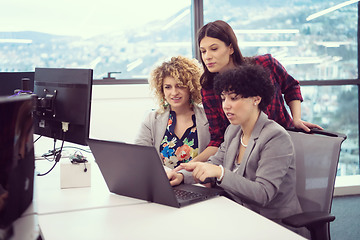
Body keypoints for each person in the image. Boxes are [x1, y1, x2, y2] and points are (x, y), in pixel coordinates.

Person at [168, 65, 306, 236]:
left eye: (233, 98)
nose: (226, 106)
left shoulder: (275, 137)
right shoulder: (233, 131)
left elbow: (263, 194)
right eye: (223, 98)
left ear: (256, 99)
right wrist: (182, 176)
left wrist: (220, 173)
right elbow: (214, 163)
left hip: (273, 225)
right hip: (237, 217)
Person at [191, 20, 322, 163]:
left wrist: (296, 118)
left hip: (285, 145)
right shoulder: (209, 90)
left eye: (214, 49)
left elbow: (291, 87)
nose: (207, 56)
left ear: (231, 48)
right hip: (248, 160)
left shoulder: (265, 64)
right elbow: (218, 139)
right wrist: (187, 167)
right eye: (203, 51)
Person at [135, 56, 210, 170]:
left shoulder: (207, 118)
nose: (174, 92)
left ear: (190, 87)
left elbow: (215, 159)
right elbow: (139, 155)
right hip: (163, 182)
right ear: (162, 90)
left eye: (179, 86)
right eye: (168, 87)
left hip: (196, 184)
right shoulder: (151, 119)